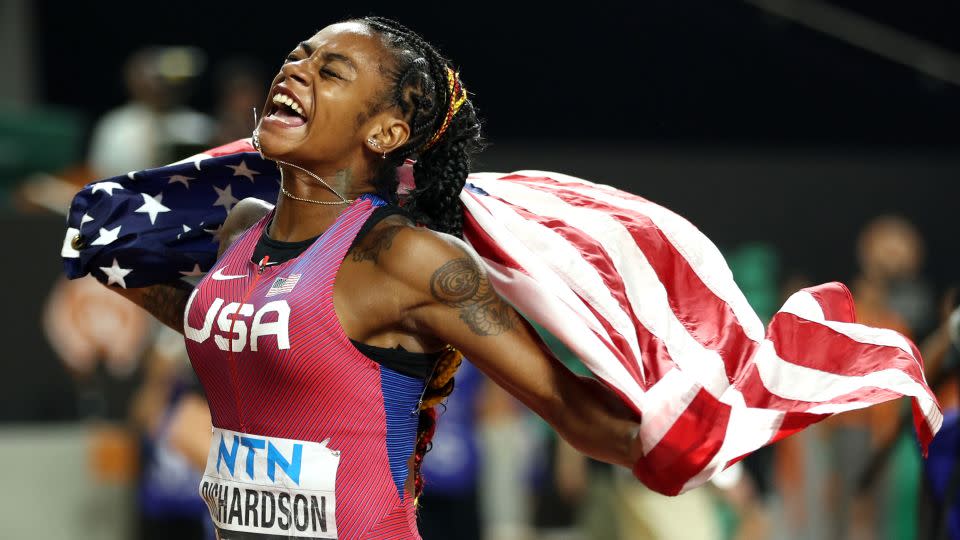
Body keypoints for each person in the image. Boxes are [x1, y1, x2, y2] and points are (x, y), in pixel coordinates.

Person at [106, 17, 642, 539]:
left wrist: (706, 439)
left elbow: (571, 409)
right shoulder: (242, 229)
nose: (295, 71)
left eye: (331, 71)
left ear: (386, 132)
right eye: (297, 57)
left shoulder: (406, 258)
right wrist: (112, 264)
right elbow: (231, 327)